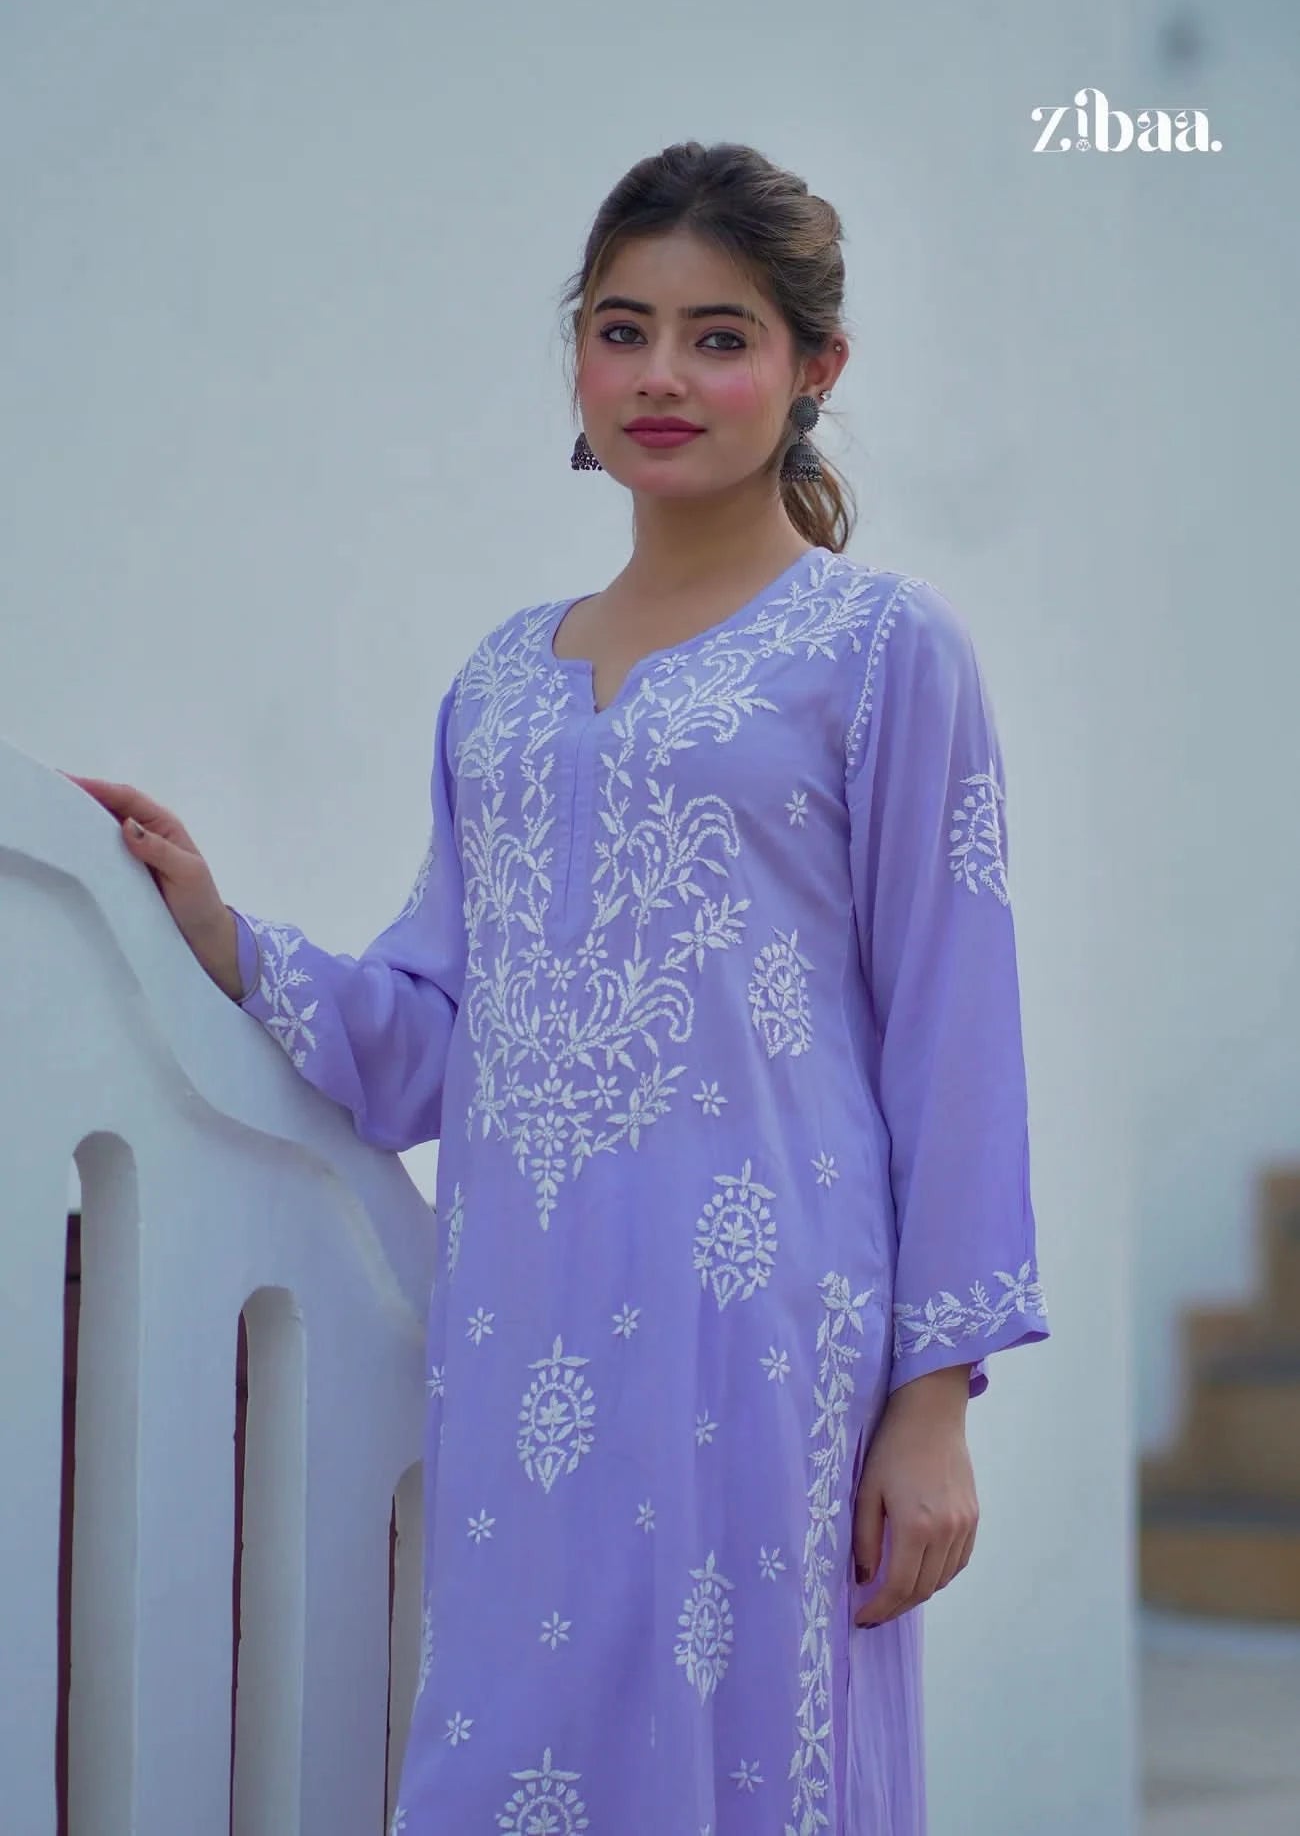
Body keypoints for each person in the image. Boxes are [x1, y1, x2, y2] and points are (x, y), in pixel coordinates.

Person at [65, 140, 1050, 1835]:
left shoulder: (883, 652)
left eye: (721, 335)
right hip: (522, 1330)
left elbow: (958, 1031)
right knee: (515, 1753)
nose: (663, 376)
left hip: (762, 1337)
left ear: (817, 369)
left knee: (744, 1751)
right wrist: (225, 938)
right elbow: (434, 1040)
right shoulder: (503, 687)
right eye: (623, 328)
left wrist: (934, 1404)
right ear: (578, 361)